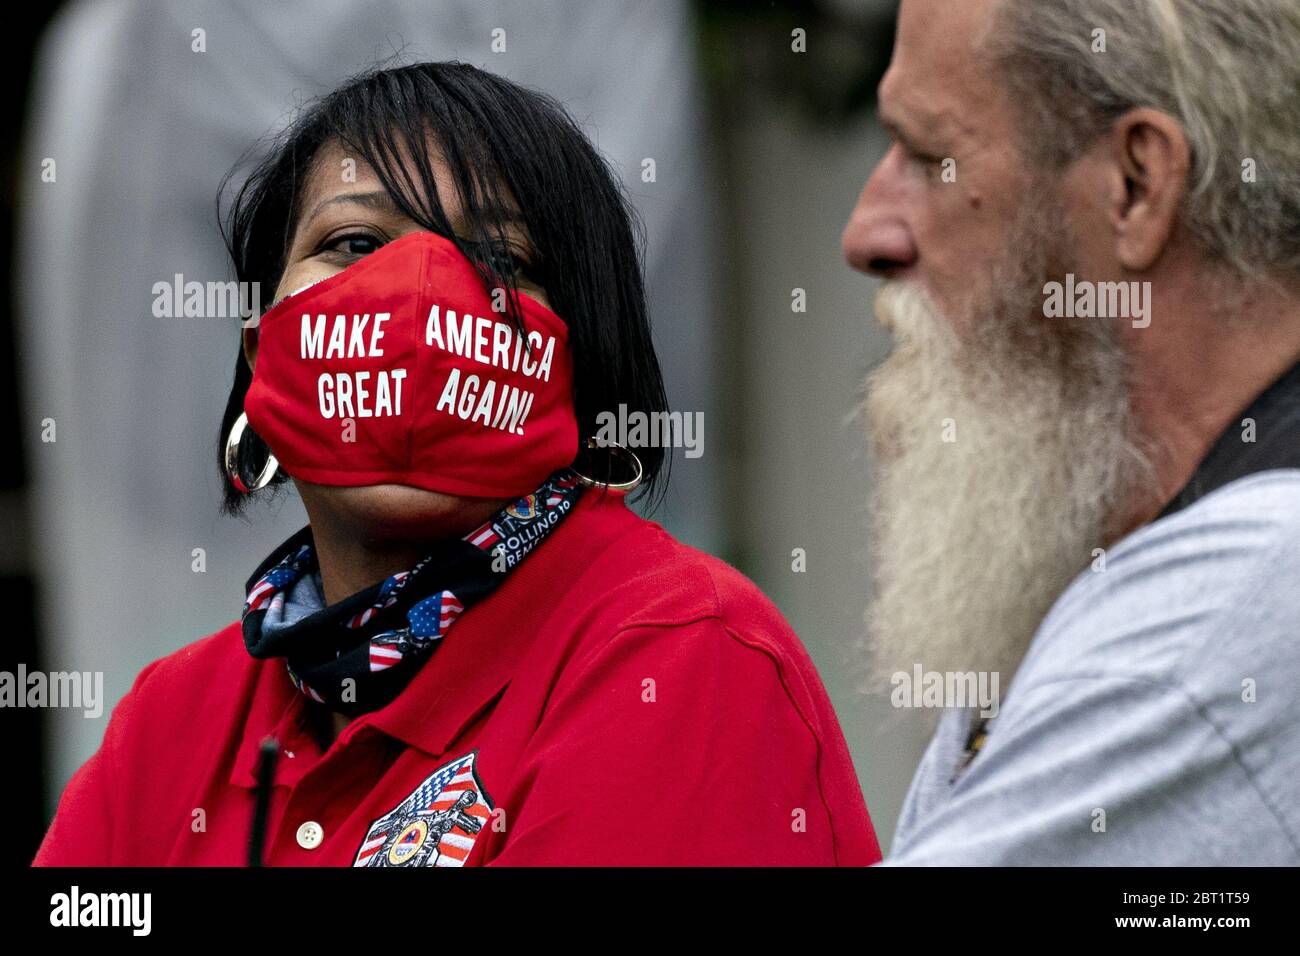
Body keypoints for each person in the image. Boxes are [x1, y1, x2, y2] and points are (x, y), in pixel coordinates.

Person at [34, 61, 880, 867]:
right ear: (261, 352)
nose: (420, 293)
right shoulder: (170, 723)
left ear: (584, 362)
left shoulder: (681, 657)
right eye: (356, 240)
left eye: (504, 264)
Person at [843, 0, 1300, 864]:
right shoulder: (1119, 555)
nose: (867, 233)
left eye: (930, 157)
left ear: (1136, 184)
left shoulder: (1245, 597)